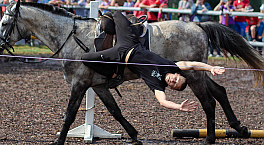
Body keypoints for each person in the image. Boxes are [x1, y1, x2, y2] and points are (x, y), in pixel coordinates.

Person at [82, 11, 225, 112]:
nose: (173, 80)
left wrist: (178, 107)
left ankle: (113, 74)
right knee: (116, 13)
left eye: (174, 84)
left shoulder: (157, 86)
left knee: (85, 58)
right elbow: (193, 64)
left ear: (172, 88)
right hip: (129, 43)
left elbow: (163, 102)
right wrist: (210, 68)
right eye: (177, 78)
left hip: (119, 55)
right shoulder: (170, 66)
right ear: (177, 74)